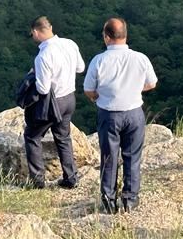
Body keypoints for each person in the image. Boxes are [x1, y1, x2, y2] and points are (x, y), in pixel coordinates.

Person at [83, 17, 157, 213]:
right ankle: (130, 200)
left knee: (109, 157)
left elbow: (88, 89)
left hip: (109, 114)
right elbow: (152, 83)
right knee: (132, 156)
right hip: (134, 112)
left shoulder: (99, 60)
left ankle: (109, 200)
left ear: (106, 37)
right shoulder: (140, 58)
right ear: (125, 35)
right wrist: (134, 90)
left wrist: (97, 97)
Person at [24, 16, 85, 189]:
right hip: (69, 98)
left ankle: (37, 182)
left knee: (32, 136)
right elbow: (80, 68)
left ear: (35, 32)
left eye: (32, 34)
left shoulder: (43, 56)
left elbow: (43, 89)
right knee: (63, 137)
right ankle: (71, 178)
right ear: (50, 27)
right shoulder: (69, 43)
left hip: (53, 102)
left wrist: (33, 76)